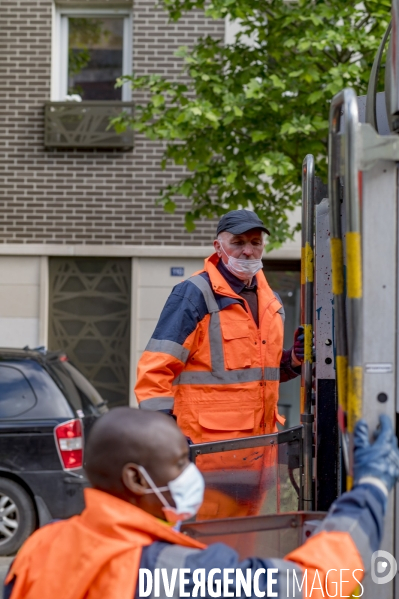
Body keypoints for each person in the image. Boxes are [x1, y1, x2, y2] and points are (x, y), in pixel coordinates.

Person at [4, 408, 399, 599]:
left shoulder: (41, 544)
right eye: (178, 463)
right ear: (136, 479)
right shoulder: (168, 570)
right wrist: (372, 489)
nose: (189, 473)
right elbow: (310, 583)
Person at [135, 209, 304, 442]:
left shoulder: (271, 301)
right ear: (218, 246)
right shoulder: (194, 295)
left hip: (260, 448)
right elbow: (153, 371)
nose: (248, 251)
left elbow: (258, 376)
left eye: (255, 242)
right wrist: (166, 435)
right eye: (238, 242)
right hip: (206, 451)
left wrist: (292, 361)